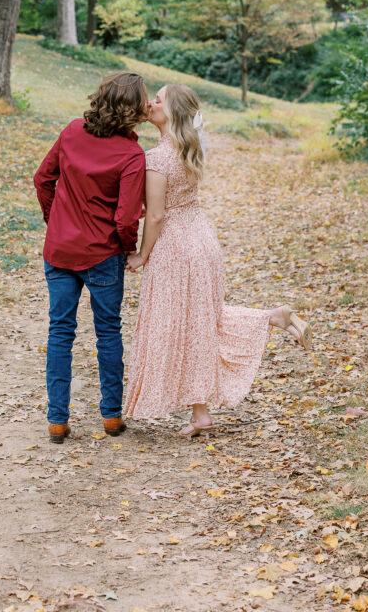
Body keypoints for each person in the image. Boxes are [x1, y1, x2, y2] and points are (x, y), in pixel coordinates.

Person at [123, 83, 312, 438]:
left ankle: (271, 318)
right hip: (203, 239)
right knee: (199, 324)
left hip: (177, 247)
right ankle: (200, 412)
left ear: (172, 113)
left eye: (158, 100)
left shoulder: (157, 158)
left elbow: (158, 215)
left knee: (182, 324)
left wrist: (142, 255)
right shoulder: (188, 148)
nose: (150, 103)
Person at [34, 72, 148, 443]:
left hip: (61, 250)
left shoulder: (71, 131)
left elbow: (42, 179)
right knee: (108, 332)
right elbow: (127, 217)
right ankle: (111, 417)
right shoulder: (132, 155)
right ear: (133, 110)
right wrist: (128, 246)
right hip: (103, 254)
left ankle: (57, 421)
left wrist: (56, 220)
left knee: (60, 330)